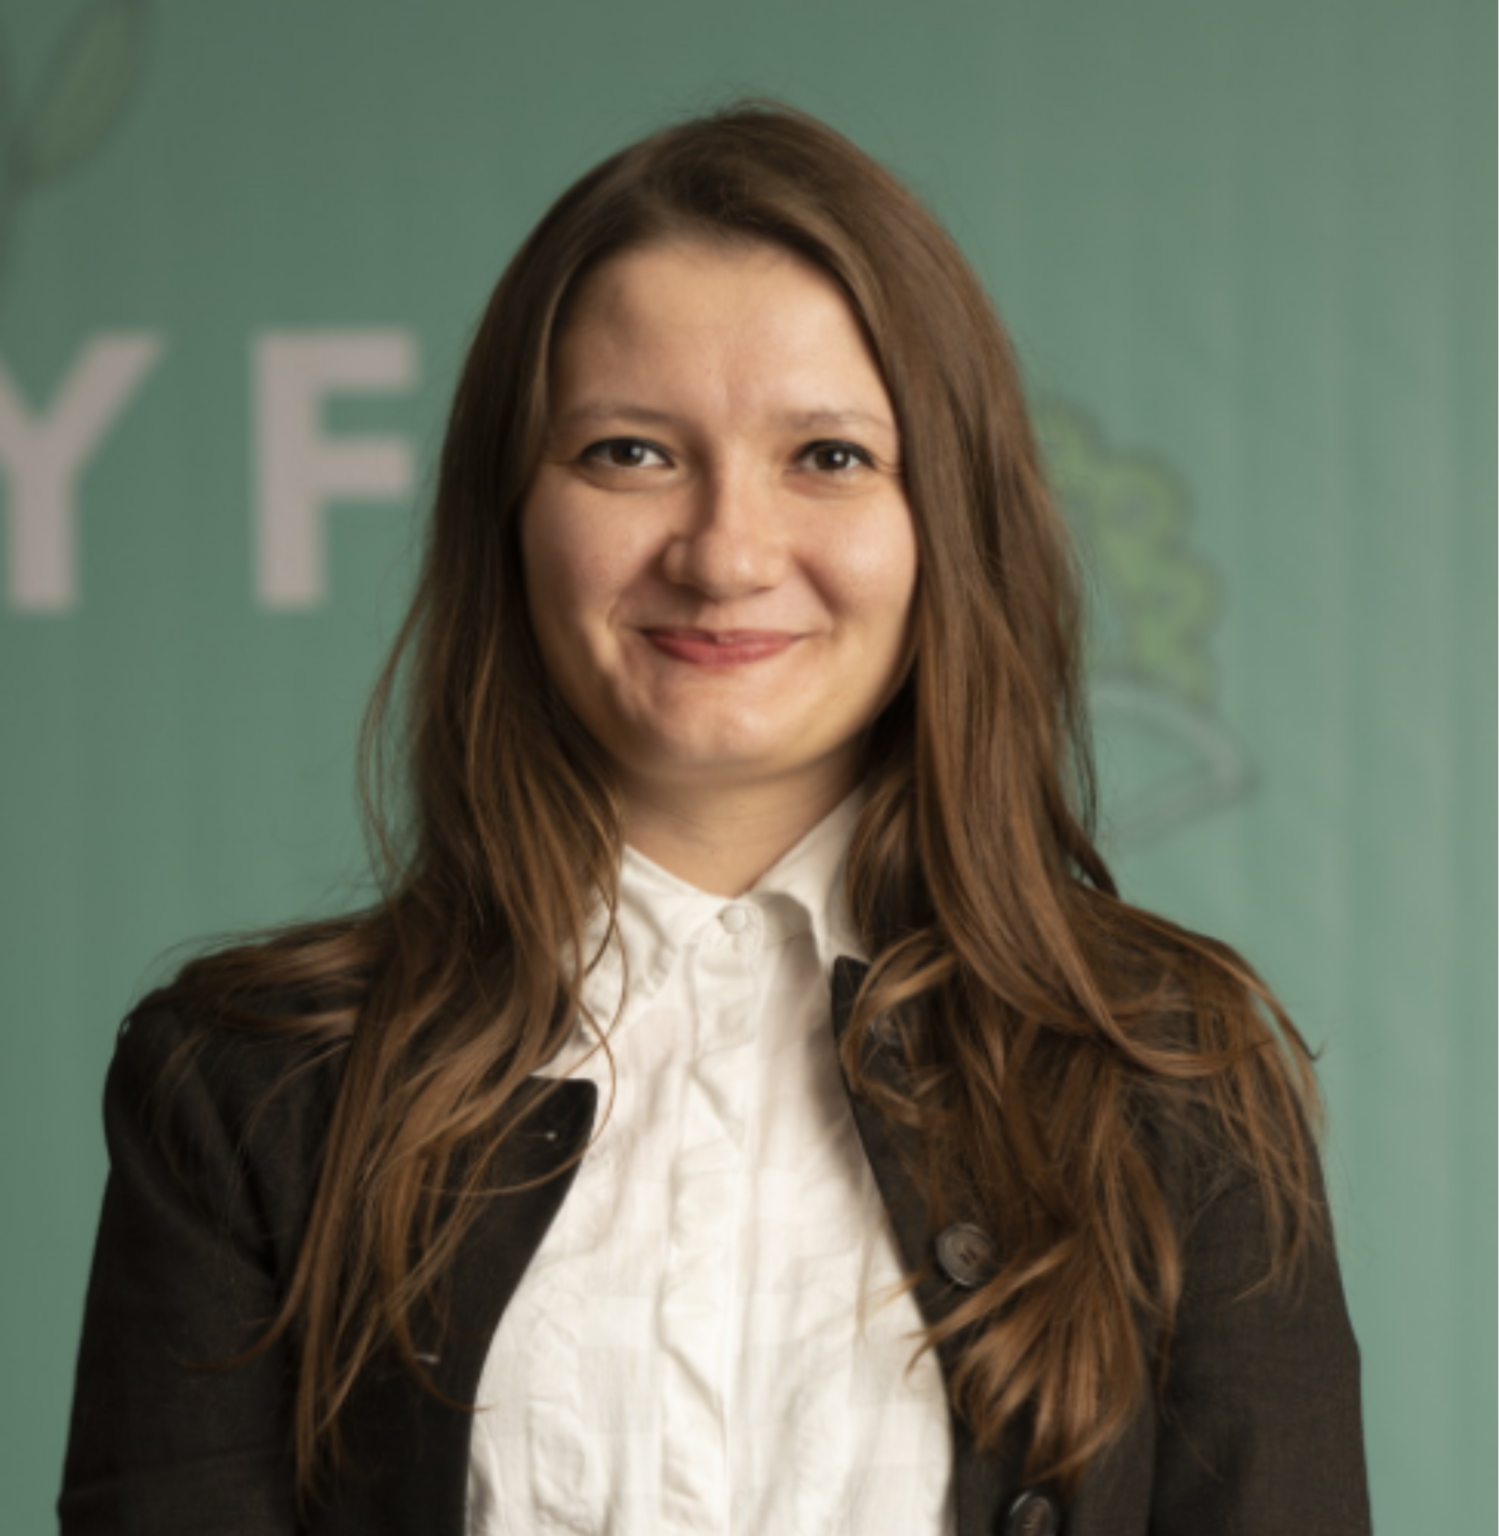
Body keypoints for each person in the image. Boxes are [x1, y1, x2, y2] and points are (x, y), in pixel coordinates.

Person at [58, 102, 1371, 1536]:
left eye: (830, 457)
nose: (727, 553)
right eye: (630, 452)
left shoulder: (1171, 1078)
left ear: (949, 522)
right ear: (509, 516)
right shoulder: (243, 1087)